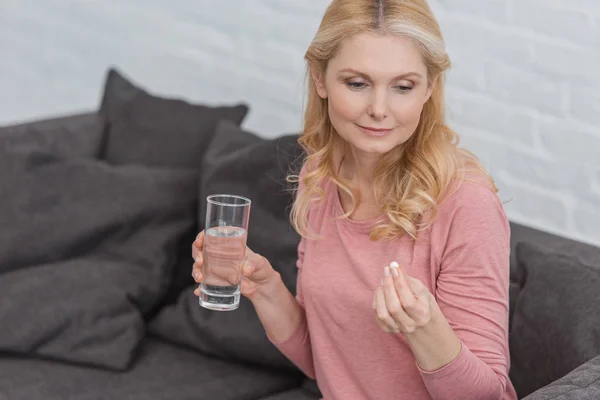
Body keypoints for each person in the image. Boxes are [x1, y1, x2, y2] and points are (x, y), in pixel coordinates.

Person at [192, 0, 518, 399]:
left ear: (429, 88)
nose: (379, 109)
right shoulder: (322, 177)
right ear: (320, 78)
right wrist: (265, 288)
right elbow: (325, 362)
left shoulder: (466, 202)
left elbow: (485, 395)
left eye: (403, 87)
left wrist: (424, 329)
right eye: (357, 83)